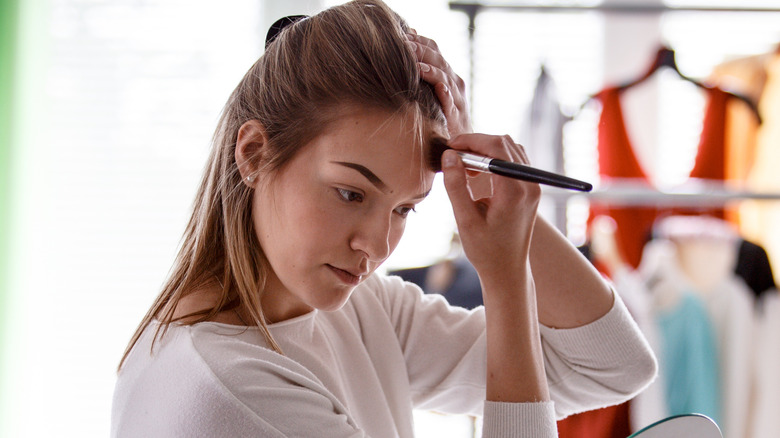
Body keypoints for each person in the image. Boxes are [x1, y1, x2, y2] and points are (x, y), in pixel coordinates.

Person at [110, 1, 657, 437]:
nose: (375, 245)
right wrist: (505, 278)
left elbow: (611, 367)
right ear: (253, 154)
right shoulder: (228, 392)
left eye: (404, 208)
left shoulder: (358, 309)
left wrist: (497, 194)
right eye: (351, 193)